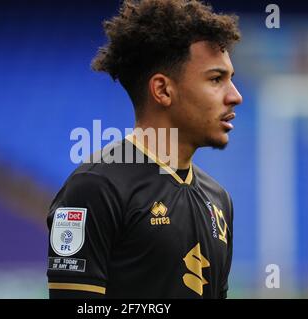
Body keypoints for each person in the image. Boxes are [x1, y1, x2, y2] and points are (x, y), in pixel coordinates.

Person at [47, 0, 243, 299]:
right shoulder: (95, 188)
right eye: (216, 79)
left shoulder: (218, 199)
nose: (235, 96)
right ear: (163, 90)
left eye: (232, 79)